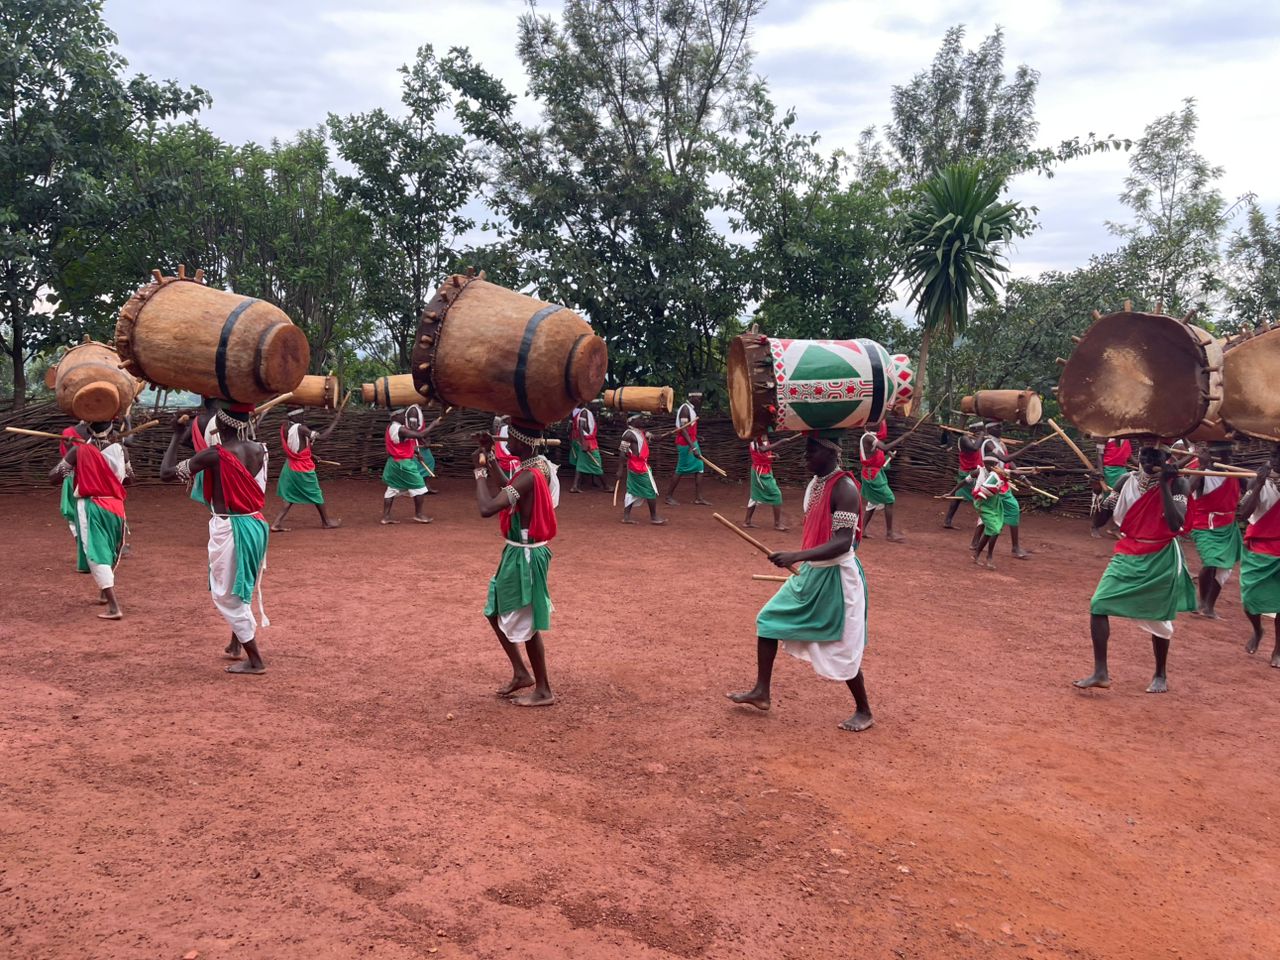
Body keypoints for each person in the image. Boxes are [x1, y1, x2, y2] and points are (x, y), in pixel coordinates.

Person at [727, 430, 873, 733]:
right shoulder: (816, 484)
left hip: (837, 577)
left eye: (811, 451)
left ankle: (864, 710)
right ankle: (761, 692)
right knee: (768, 619)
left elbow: (843, 542)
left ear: (831, 452)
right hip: (811, 573)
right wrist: (802, 559)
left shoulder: (845, 488)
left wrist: (796, 555)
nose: (805, 457)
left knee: (843, 646)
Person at [1074, 445, 1195, 694]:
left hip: (1161, 555)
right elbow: (1100, 521)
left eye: (1156, 455)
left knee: (1159, 618)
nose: (1149, 460)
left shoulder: (1178, 484)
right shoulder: (1125, 480)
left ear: (1167, 458)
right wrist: (1098, 492)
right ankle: (1100, 673)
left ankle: (1160, 674)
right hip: (1128, 551)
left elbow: (1175, 524)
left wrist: (1164, 484)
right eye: (1144, 455)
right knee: (1099, 603)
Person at [161, 403, 271, 675]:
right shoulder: (261, 450)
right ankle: (236, 643)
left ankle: (255, 660)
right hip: (255, 524)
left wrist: (176, 435)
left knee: (227, 595)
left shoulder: (215, 456)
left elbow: (166, 473)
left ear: (220, 425)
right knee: (239, 583)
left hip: (231, 527)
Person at [473, 421, 559, 706]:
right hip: (518, 551)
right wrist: (490, 455)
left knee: (527, 621)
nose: (506, 440)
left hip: (525, 554)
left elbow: (487, 508)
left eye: (510, 438)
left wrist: (479, 471)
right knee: (495, 610)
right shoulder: (534, 468)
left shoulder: (530, 475)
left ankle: (543, 690)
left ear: (523, 443)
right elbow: (509, 488)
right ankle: (522, 673)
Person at [48, 420, 132, 619]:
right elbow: (130, 479)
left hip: (91, 506)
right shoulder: (122, 450)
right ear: (111, 428)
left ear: (87, 430)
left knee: (95, 552)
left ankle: (114, 607)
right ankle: (104, 592)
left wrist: (74, 460)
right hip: (116, 506)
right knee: (111, 549)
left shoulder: (79, 451)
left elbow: (53, 477)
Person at [1187, 441, 1244, 619]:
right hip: (1205, 524)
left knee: (1224, 568)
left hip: (1228, 525)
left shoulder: (1235, 472)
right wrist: (1202, 467)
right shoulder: (1201, 472)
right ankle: (1202, 601)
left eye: (1230, 455)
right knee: (1211, 561)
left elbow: (1252, 487)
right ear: (1213, 456)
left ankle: (1209, 606)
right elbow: (1187, 489)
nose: (1229, 459)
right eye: (1225, 455)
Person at [1238, 444, 1280, 667]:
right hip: (1260, 547)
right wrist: (1259, 485)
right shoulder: (1257, 480)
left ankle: (1278, 650)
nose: (1275, 460)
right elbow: (1243, 513)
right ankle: (1257, 629)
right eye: (1273, 455)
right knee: (1249, 599)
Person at [271, 407, 343, 531]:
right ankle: (326, 522)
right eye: (301, 415)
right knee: (316, 493)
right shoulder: (301, 428)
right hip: (301, 467)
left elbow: (296, 447)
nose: (303, 417)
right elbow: (322, 437)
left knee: (289, 497)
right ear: (294, 416)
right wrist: (336, 421)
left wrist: (311, 455)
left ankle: (276, 524)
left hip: (289, 466)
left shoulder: (285, 426)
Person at [979, 422, 1031, 559]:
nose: (1001, 429)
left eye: (1001, 426)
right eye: (997, 427)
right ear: (989, 429)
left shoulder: (1000, 444)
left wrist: (1023, 477)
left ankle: (1014, 547)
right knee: (992, 519)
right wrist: (1028, 447)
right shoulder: (988, 443)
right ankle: (981, 549)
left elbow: (1008, 462)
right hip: (991, 484)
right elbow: (1005, 458)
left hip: (1001, 483)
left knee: (1011, 510)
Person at [857, 420, 906, 542]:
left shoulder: (871, 437)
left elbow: (879, 449)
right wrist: (902, 437)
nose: (878, 423)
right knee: (889, 499)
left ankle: (862, 530)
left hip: (873, 474)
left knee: (872, 502)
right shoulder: (868, 437)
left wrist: (887, 453)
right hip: (872, 475)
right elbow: (883, 447)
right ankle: (889, 534)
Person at [381, 408, 432, 525]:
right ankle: (419, 515)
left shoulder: (394, 428)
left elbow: (401, 445)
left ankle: (386, 517)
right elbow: (420, 434)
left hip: (394, 463)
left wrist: (415, 453)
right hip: (403, 464)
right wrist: (433, 424)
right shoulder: (399, 429)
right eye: (402, 415)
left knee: (392, 489)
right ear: (394, 417)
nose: (404, 417)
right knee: (419, 486)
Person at [617, 414, 666, 525]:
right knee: (650, 489)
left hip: (640, 465)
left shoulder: (641, 432)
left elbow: (655, 438)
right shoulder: (628, 434)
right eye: (639, 419)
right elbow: (622, 452)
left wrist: (668, 434)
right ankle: (654, 517)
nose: (642, 421)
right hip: (637, 466)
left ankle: (626, 517)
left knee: (632, 490)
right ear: (632, 421)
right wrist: (620, 469)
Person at [743, 431, 796, 530]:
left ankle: (747, 521)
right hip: (760, 472)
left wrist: (773, 455)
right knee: (776, 494)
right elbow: (763, 449)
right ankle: (777, 524)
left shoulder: (762, 437)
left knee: (755, 497)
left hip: (764, 471)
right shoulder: (755, 440)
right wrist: (781, 442)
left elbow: (765, 451)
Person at [665, 392, 711, 506]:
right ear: (691, 397)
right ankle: (668, 496)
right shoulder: (685, 409)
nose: (699, 401)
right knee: (680, 469)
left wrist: (696, 437)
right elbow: (683, 429)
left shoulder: (690, 409)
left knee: (700, 468)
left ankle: (699, 498)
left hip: (691, 442)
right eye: (698, 398)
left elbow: (689, 429)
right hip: (685, 444)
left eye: (700, 399)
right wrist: (693, 447)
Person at [969, 450, 1009, 570]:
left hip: (993, 503)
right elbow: (966, 482)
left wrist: (1030, 472)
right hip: (982, 503)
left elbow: (1015, 472)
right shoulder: (980, 472)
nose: (991, 466)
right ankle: (989, 557)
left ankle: (976, 555)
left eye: (993, 464)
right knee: (995, 529)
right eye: (989, 464)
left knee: (991, 530)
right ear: (984, 463)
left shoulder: (997, 474)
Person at [943, 422, 985, 529]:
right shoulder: (964, 439)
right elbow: (974, 448)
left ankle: (947, 521)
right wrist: (981, 436)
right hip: (968, 471)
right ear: (974, 429)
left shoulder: (975, 438)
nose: (981, 432)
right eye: (980, 430)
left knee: (959, 496)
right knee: (979, 496)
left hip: (976, 471)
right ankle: (986, 522)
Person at [182, 396, 222, 506]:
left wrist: (201, 450)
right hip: (221, 461)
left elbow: (183, 440)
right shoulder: (222, 420)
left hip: (203, 462)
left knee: (211, 498)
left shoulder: (197, 421)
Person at [57, 420, 90, 546]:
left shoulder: (68, 432)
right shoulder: (102, 432)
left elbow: (66, 457)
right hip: (86, 476)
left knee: (75, 513)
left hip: (77, 476)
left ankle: (82, 543)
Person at [569, 403, 605, 492]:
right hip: (587, 441)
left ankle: (576, 485)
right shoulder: (584, 412)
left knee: (581, 463)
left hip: (586, 440)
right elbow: (581, 427)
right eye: (595, 404)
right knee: (596, 462)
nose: (597, 407)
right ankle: (606, 485)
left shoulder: (583, 412)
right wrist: (584, 442)